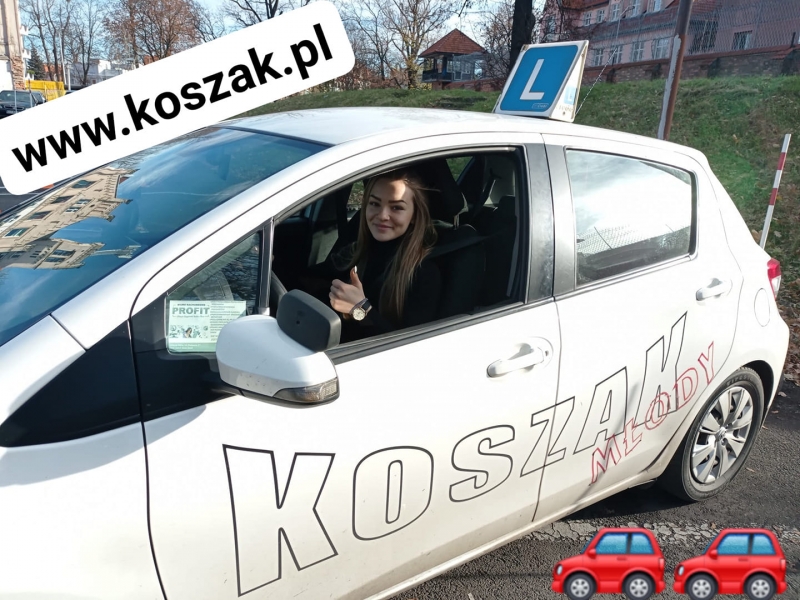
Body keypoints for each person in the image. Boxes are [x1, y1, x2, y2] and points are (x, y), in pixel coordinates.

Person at [328, 169, 442, 340]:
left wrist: (361, 308)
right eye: (374, 204)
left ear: (414, 215)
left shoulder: (424, 272)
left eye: (396, 207)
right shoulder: (354, 252)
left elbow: (409, 345)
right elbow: (313, 280)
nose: (382, 215)